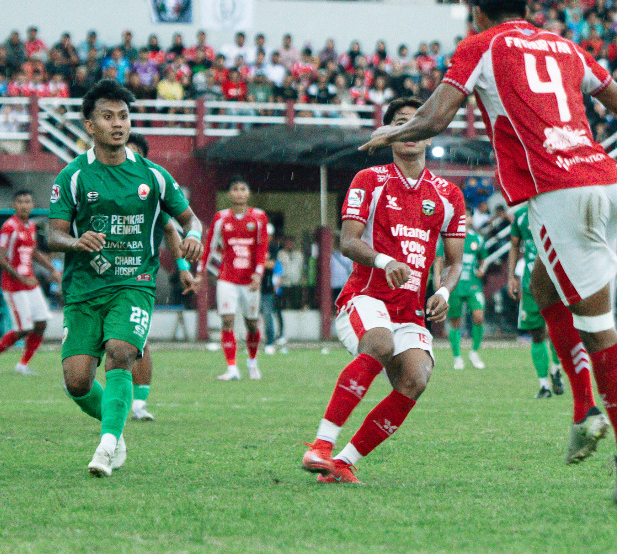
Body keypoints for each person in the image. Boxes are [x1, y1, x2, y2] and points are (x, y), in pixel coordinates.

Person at [358, 0, 617, 503]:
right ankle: (583, 410)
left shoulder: (480, 45)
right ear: (527, 4)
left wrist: (392, 131)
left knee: (598, 326)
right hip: (605, 183)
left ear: (475, 9)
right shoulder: (566, 46)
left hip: (558, 191)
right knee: (544, 288)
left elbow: (435, 120)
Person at [301, 98, 466, 485]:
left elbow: (455, 260)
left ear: (429, 132)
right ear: (389, 134)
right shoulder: (370, 180)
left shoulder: (448, 195)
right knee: (379, 342)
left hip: (410, 312)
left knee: (416, 378)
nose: (409, 130)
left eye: (416, 123)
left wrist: (442, 293)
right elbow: (348, 241)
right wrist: (383, 261)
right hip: (365, 298)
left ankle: (344, 462)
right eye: (399, 123)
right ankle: (321, 445)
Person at [46, 80, 204, 477]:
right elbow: (53, 235)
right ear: (90, 125)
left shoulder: (154, 175)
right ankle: (115, 429)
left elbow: (188, 219)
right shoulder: (73, 176)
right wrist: (76, 241)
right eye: (107, 116)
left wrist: (195, 236)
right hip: (85, 289)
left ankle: (106, 446)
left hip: (134, 283)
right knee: (78, 381)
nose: (118, 124)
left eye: (123, 116)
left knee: (121, 352)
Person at [124, 132, 197, 422]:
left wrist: (182, 267)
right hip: (96, 279)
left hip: (138, 278)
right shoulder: (95, 183)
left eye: (134, 153)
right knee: (92, 351)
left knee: (136, 342)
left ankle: (138, 403)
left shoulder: (151, 190)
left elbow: (170, 229)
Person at [0, 189, 59, 375]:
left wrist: (52, 269)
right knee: (24, 328)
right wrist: (20, 276)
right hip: (14, 285)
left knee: (41, 323)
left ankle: (23, 364)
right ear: (13, 205)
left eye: (27, 201)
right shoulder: (9, 226)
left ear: (33, 205)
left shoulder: (31, 226)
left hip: (30, 283)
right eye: (20, 201)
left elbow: (32, 252)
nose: (24, 205)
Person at [205, 176, 271, 381]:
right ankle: (232, 368)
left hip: (250, 280)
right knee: (227, 320)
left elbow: (262, 247)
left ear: (248, 193)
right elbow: (209, 246)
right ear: (229, 194)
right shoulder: (221, 218)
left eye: (243, 188)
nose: (239, 192)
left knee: (251, 324)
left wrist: (258, 274)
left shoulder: (259, 217)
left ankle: (252, 362)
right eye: (235, 189)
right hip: (227, 278)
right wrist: (202, 272)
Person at [508, 201, 565, 398]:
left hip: (556, 281)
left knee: (559, 330)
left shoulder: (558, 209)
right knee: (537, 334)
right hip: (531, 285)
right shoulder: (521, 215)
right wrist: (511, 277)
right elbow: (514, 245)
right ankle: (544, 386)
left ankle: (556, 368)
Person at [441, 225, 488, 370]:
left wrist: (482, 269)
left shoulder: (477, 239)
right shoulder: (450, 238)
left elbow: (483, 258)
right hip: (455, 284)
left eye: (468, 216)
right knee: (455, 321)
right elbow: (440, 259)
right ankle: (457, 357)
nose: (466, 220)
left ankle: (474, 352)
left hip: (473, 284)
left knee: (479, 316)